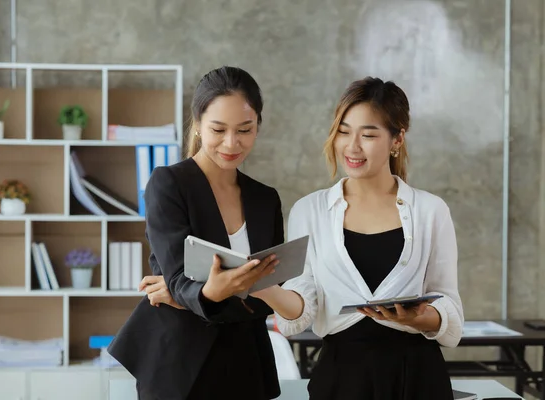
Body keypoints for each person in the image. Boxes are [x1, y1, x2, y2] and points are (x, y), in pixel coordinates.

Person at [144, 76, 465, 400]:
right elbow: (297, 310)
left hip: (418, 377)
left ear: (397, 139)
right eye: (343, 132)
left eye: (368, 135)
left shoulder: (430, 210)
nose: (352, 147)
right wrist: (222, 288)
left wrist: (422, 317)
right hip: (339, 376)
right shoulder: (310, 211)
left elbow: (449, 306)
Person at [107, 66, 284, 400]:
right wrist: (208, 293)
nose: (232, 143)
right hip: (179, 369)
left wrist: (192, 296)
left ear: (257, 125)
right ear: (199, 124)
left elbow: (271, 291)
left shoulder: (265, 198)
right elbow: (178, 278)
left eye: (245, 129)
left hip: (246, 364)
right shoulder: (169, 184)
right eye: (219, 129)